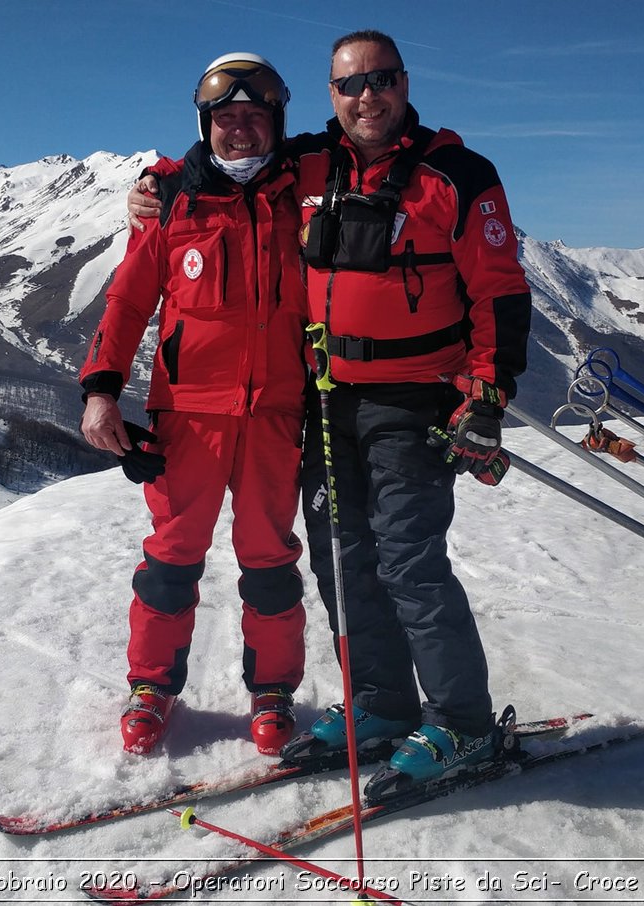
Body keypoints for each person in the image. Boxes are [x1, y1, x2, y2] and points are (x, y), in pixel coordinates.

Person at [128, 31, 532, 795]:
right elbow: (217, 165)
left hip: (416, 395)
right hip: (325, 399)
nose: (366, 96)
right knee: (343, 561)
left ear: (404, 84)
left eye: (380, 80)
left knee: (409, 558)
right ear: (331, 96)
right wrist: (151, 188)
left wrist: (488, 395)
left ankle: (464, 725)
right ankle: (379, 704)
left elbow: (501, 290)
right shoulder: (310, 163)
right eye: (350, 85)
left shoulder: (457, 174)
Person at [79, 52, 310, 757]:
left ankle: (272, 694)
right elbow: (127, 301)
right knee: (172, 560)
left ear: (276, 122)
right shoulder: (173, 201)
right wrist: (101, 389)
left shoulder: (303, 191)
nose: (241, 131)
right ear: (206, 123)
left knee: (270, 561)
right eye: (227, 118)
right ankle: (151, 688)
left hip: (277, 414)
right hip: (189, 418)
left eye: (255, 116)